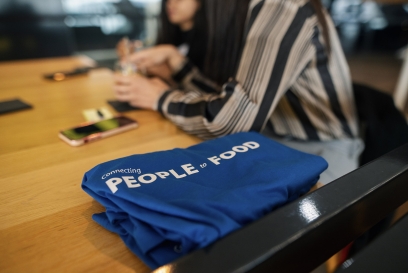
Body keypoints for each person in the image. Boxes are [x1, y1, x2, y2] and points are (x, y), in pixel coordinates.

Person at [113, 0, 364, 185]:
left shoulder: (282, 8)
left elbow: (232, 120)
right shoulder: (252, 11)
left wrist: (160, 98)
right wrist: (176, 61)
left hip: (319, 152)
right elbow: (235, 103)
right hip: (273, 138)